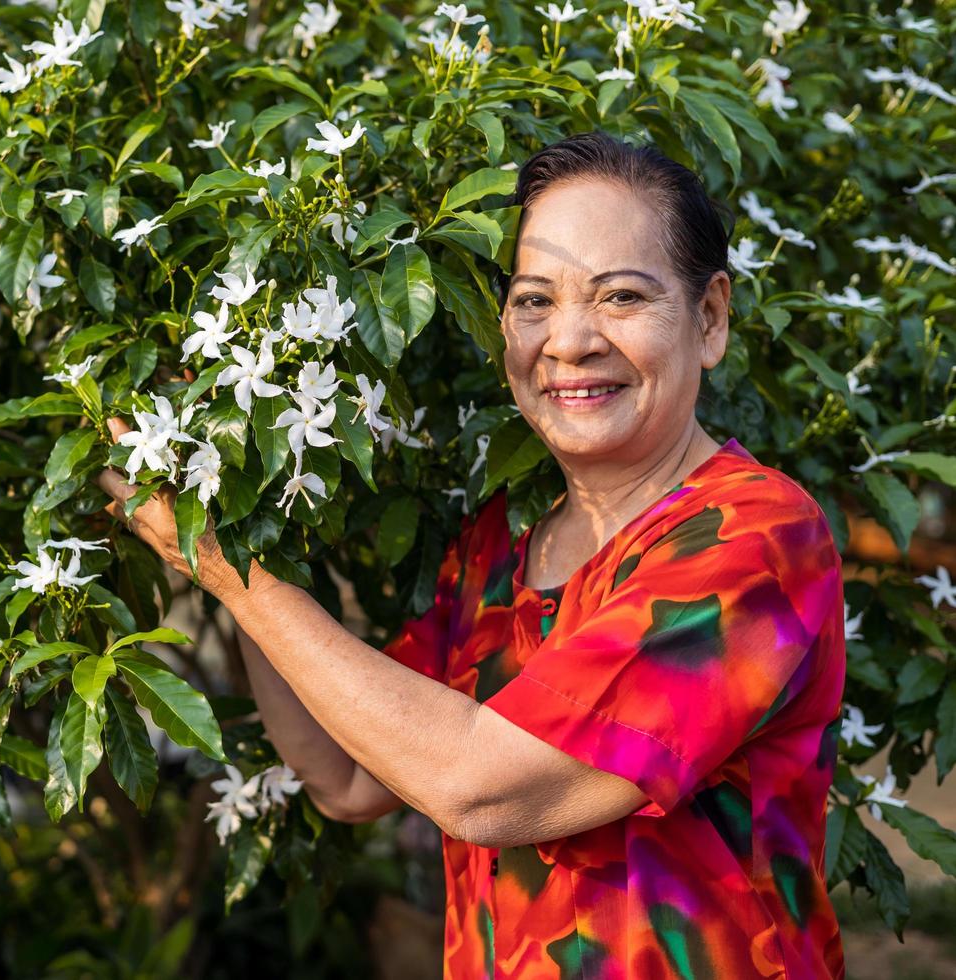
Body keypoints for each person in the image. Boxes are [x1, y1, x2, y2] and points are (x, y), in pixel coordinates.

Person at [97, 131, 846, 979]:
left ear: (708, 319)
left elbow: (478, 787)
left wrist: (230, 573)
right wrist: (226, 532)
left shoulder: (756, 538)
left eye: (621, 297)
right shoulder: (500, 544)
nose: (568, 341)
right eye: (533, 300)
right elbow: (345, 776)